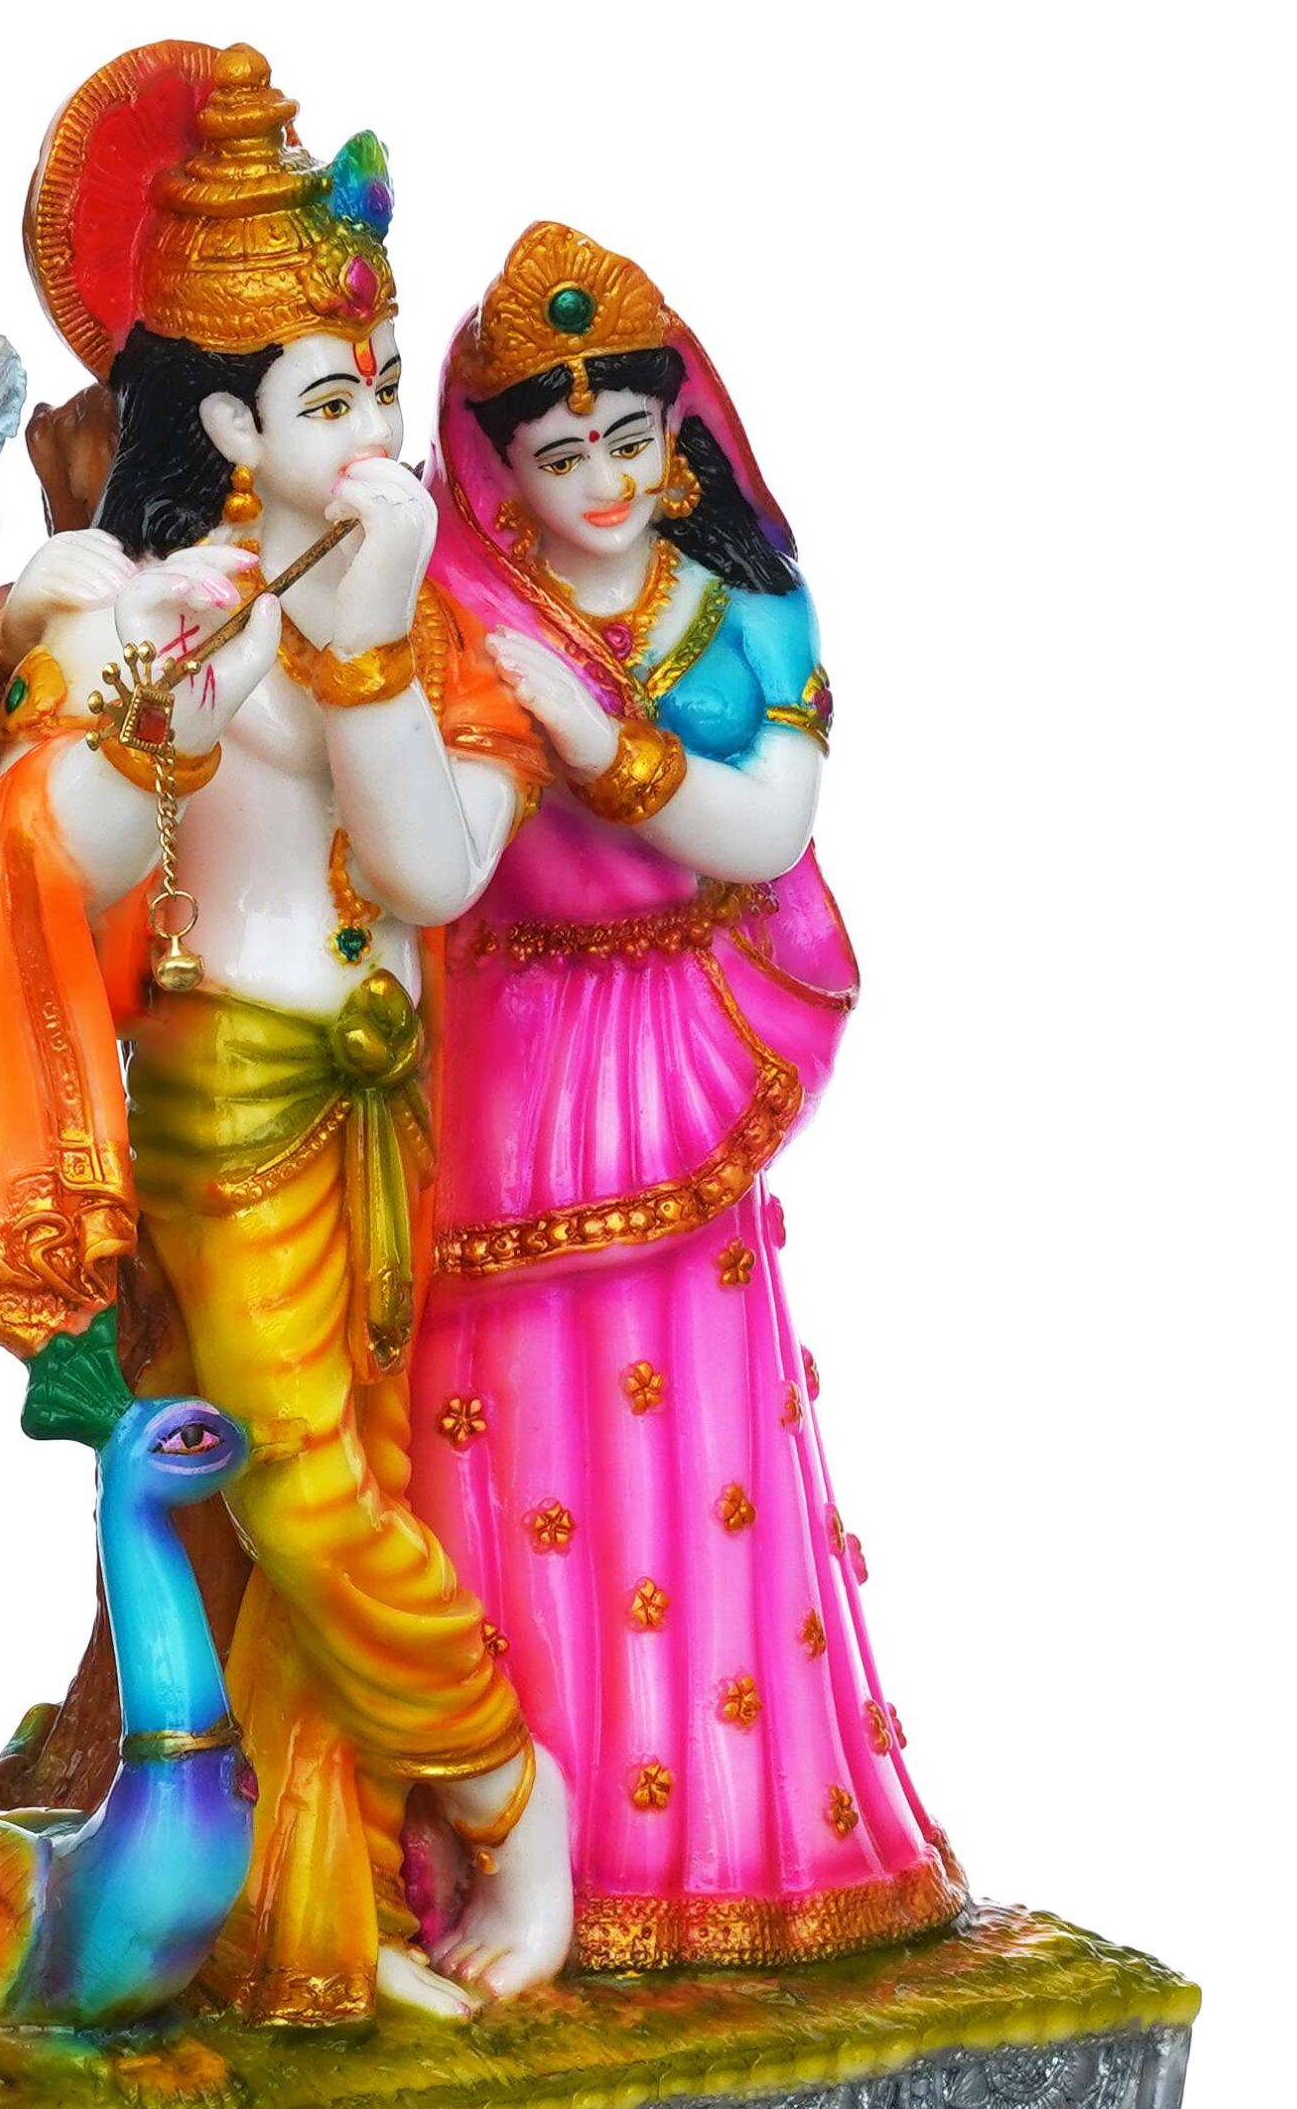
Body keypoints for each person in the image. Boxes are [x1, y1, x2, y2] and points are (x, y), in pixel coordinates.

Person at [0, 46, 574, 2024]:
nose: (377, 432)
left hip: (396, 1094)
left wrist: (369, 653)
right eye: (329, 399)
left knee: (374, 1478)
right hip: (224, 1099)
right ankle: (512, 1798)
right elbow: (55, 857)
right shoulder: (133, 606)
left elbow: (434, 870)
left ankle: (334, 1893)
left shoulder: (413, 609)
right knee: (291, 1487)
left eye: (382, 384)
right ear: (222, 417)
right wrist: (160, 695)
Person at [409, 223, 966, 1976]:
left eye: (631, 442)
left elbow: (767, 826)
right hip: (497, 1046)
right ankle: (483, 1840)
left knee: (691, 1412)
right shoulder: (453, 602)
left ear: (680, 433)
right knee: (480, 1416)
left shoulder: (745, 598)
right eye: (560, 454)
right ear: (499, 465)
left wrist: (593, 737)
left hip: (680, 1034)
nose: (603, 485)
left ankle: (707, 1849)